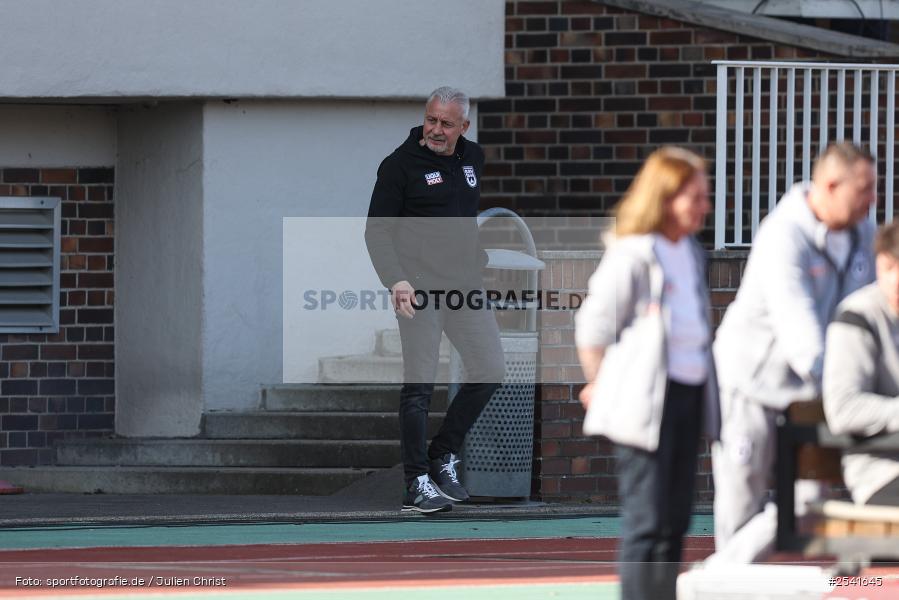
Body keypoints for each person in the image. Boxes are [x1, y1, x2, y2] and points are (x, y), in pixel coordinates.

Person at [711, 141, 877, 563]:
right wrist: (847, 394)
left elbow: (866, 313)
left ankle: (723, 570)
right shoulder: (784, 235)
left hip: (809, 390)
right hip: (752, 383)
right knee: (740, 501)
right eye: (864, 189)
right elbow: (799, 330)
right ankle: (720, 578)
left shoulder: (863, 232)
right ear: (831, 184)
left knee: (807, 501)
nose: (872, 200)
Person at [575, 147, 719, 600]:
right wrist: (598, 382)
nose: (704, 207)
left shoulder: (691, 252)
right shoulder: (635, 253)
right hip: (647, 401)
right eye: (695, 197)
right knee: (648, 520)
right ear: (665, 197)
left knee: (677, 519)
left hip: (688, 394)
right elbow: (594, 325)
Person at [364, 86, 505, 514]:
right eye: (431, 120)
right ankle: (416, 482)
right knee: (419, 387)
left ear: (464, 126)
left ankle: (444, 454)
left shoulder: (472, 158)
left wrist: (476, 257)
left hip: (465, 288)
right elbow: (377, 232)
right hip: (420, 291)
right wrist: (397, 281)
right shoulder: (399, 166)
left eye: (446, 123)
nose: (436, 129)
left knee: (491, 370)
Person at [824, 221, 899, 506]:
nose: (895, 280)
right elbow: (843, 408)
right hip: (883, 470)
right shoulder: (859, 317)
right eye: (888, 268)